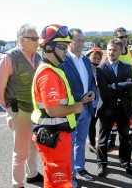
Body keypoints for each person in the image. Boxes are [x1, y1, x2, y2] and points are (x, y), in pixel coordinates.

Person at [31, 24, 83, 188]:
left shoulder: (52, 69)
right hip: (55, 137)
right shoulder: (48, 74)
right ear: (48, 47)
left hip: (56, 136)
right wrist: (76, 107)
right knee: (60, 179)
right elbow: (53, 110)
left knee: (54, 178)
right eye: (62, 46)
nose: (66, 50)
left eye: (66, 46)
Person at [0, 24, 42, 188]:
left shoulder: (37, 57)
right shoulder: (8, 58)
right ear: (21, 40)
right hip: (19, 110)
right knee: (20, 150)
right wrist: (11, 109)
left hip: (34, 110)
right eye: (33, 38)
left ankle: (32, 174)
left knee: (33, 144)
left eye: (37, 38)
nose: (37, 41)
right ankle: (17, 184)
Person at [58, 28, 96, 186]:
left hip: (86, 109)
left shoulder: (86, 60)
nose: (81, 43)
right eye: (77, 40)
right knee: (69, 143)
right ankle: (70, 174)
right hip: (72, 108)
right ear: (69, 42)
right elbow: (61, 87)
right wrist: (78, 98)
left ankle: (80, 167)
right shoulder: (63, 61)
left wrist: (93, 93)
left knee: (81, 141)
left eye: (82, 40)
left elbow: (92, 81)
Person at [96, 39, 132, 177]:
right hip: (107, 109)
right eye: (109, 49)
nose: (111, 52)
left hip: (123, 109)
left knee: (125, 138)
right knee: (103, 139)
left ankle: (125, 162)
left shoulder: (126, 67)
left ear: (120, 51)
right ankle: (101, 164)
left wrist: (114, 85)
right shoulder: (101, 68)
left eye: (114, 50)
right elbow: (104, 91)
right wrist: (123, 85)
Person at [107, 27, 132, 151]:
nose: (124, 39)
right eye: (121, 37)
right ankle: (112, 139)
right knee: (113, 117)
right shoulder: (111, 52)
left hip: (127, 91)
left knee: (129, 117)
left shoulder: (130, 52)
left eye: (125, 36)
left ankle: (129, 139)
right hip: (115, 92)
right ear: (115, 38)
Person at [86, 47, 103, 154]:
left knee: (94, 124)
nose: (96, 60)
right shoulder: (86, 72)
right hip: (88, 104)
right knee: (89, 125)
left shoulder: (99, 71)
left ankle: (93, 144)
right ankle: (91, 144)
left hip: (98, 103)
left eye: (98, 58)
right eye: (94, 58)